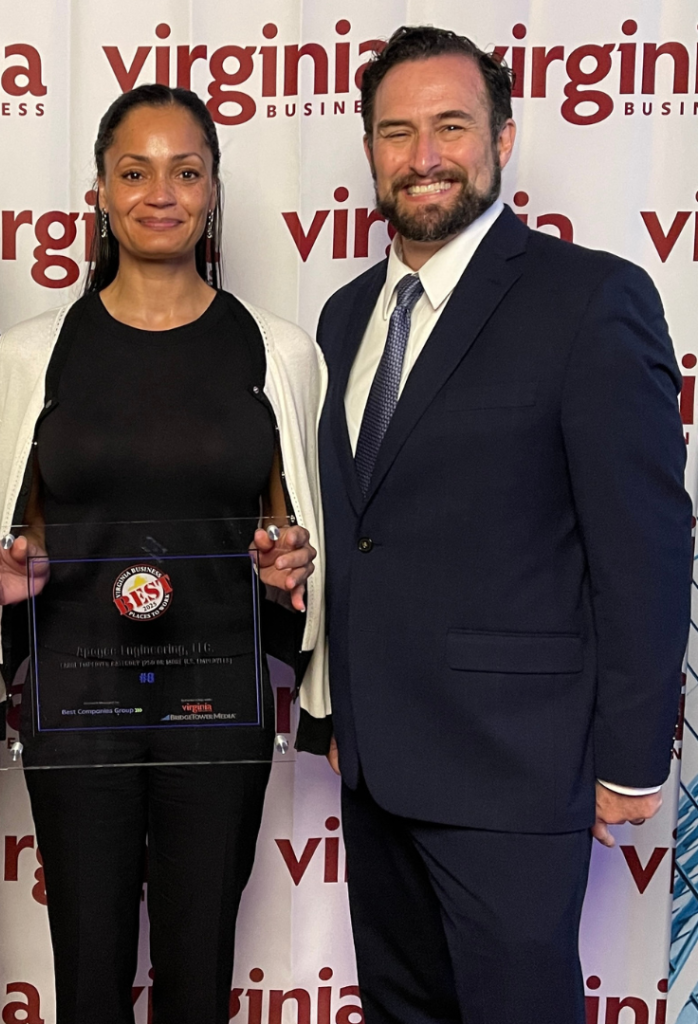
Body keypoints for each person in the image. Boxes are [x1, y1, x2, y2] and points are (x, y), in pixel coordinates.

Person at [302, 24, 691, 1024]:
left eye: (450, 126)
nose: (422, 155)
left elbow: (643, 544)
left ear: (503, 140)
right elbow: (364, 533)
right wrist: (338, 712)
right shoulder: (344, 317)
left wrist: (632, 755)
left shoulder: (589, 298)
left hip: (518, 768)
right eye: (396, 131)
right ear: (369, 152)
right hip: (378, 763)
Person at [0, 84, 327, 1023]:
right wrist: (16, 567)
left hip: (219, 707)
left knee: (200, 969)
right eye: (134, 171)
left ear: (213, 191)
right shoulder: (33, 353)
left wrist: (290, 562)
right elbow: (27, 526)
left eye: (186, 170)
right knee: (85, 967)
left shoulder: (277, 350)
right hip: (77, 706)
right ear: (99, 191)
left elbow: (289, 532)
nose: (159, 192)